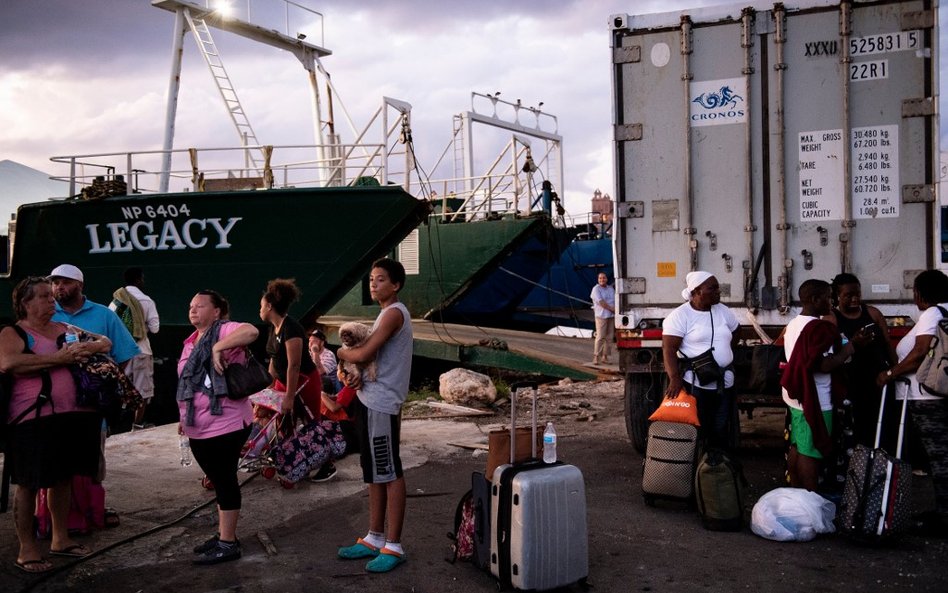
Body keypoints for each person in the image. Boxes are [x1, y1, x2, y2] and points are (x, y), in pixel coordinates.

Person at [1, 277, 112, 573]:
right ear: (26, 303)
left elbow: (105, 342)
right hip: (32, 419)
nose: (52, 301)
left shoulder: (65, 329)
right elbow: (9, 363)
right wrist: (60, 358)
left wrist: (88, 350)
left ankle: (60, 539)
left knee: (62, 478)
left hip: (71, 416)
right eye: (43, 297)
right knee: (28, 483)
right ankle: (27, 548)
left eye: (51, 297)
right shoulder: (14, 333)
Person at [335, 258, 412, 573]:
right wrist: (351, 377)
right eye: (371, 280)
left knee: (390, 471)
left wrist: (339, 353)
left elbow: (365, 353)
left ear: (395, 285)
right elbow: (368, 363)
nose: (374, 284)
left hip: (383, 403)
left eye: (380, 279)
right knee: (373, 471)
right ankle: (374, 536)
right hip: (368, 398)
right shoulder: (382, 315)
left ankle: (394, 546)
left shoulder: (394, 313)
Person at [177, 289, 260, 565]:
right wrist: (183, 416)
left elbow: (251, 332)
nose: (193, 309)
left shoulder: (223, 330)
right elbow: (188, 384)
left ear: (216, 312)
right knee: (217, 478)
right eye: (191, 305)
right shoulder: (190, 341)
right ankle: (223, 534)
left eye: (200, 306)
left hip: (226, 422)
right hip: (198, 424)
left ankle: (228, 543)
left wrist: (217, 347)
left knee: (224, 479)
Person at [876, 269, 948, 535]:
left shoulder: (932, 313)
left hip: (927, 397)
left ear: (919, 293)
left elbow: (920, 352)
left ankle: (944, 516)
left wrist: (889, 374)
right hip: (939, 393)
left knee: (939, 458)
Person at [781, 279, 871, 491]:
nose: (832, 301)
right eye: (828, 297)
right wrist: (852, 347)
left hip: (796, 395)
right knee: (811, 452)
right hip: (816, 398)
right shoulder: (820, 328)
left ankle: (796, 495)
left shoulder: (793, 324)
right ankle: (809, 500)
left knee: (798, 445)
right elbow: (823, 365)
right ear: (814, 299)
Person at [662, 271, 739, 448]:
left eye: (718, 288)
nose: (718, 291)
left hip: (724, 383)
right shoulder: (680, 316)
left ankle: (715, 467)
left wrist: (724, 353)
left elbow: (736, 331)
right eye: (712, 288)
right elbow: (669, 349)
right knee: (698, 429)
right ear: (696, 291)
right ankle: (698, 466)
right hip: (696, 385)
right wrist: (674, 378)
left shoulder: (723, 311)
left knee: (720, 429)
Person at [823, 273, 897, 448]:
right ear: (837, 296)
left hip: (878, 379)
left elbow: (887, 344)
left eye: (857, 294)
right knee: (854, 429)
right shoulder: (831, 319)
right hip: (850, 382)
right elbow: (830, 354)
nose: (855, 299)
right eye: (849, 295)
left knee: (882, 425)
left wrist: (895, 370)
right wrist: (853, 343)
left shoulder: (873, 313)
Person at [49, 264, 140, 367]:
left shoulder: (105, 314)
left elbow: (124, 355)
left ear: (80, 285)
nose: (59, 287)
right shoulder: (45, 315)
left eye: (66, 282)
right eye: (55, 283)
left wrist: (108, 378)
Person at [259, 278, 322, 421]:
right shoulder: (273, 329)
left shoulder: (291, 328)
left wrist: (289, 397)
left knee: (308, 424)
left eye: (261, 306)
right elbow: (274, 359)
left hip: (302, 382)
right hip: (283, 382)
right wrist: (269, 390)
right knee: (283, 424)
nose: (260, 310)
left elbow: (294, 365)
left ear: (269, 306)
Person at [109, 267, 160, 428]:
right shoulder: (146, 301)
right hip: (141, 351)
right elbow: (155, 328)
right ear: (138, 280)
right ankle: (136, 425)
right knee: (142, 391)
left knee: (121, 388)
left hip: (119, 353)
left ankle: (119, 424)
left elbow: (111, 324)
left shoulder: (116, 299)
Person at [590, 272, 615, 364]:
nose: (602, 280)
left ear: (606, 279)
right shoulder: (596, 289)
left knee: (609, 337)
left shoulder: (610, 288)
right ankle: (596, 357)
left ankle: (605, 357)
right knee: (600, 336)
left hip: (611, 316)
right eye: (600, 278)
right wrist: (613, 309)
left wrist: (614, 310)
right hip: (601, 316)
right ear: (598, 279)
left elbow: (615, 300)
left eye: (604, 278)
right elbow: (601, 303)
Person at [309, 328, 341, 394]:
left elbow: (320, 372)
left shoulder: (329, 355)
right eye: (310, 341)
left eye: (315, 341)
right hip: (313, 383)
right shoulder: (308, 353)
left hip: (328, 389)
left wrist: (315, 353)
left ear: (322, 343)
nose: (311, 343)